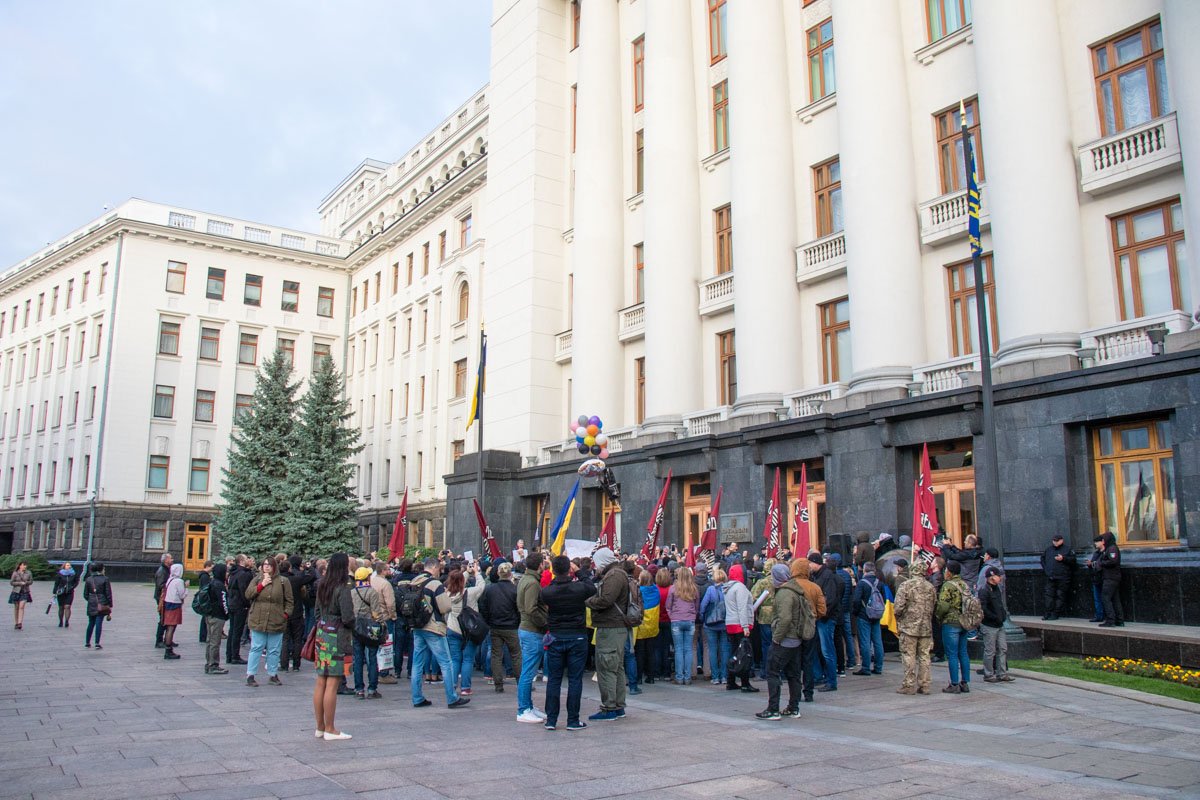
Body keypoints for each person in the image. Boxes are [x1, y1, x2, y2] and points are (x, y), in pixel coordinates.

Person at [540, 554, 594, 731]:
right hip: (577, 635)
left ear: (553, 570)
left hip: (556, 635)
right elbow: (591, 587)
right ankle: (572, 720)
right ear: (569, 569)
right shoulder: (579, 588)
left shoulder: (547, 592)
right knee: (575, 679)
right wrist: (579, 571)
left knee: (554, 679)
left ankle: (551, 720)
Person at [409, 557, 470, 709]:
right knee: (446, 662)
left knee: (417, 663)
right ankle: (452, 697)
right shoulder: (435, 584)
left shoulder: (414, 581)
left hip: (417, 626)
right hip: (433, 627)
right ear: (435, 568)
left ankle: (417, 697)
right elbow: (445, 607)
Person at [756, 564, 811, 720]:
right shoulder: (796, 590)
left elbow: (785, 619)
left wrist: (777, 638)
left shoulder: (784, 593)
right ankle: (793, 707)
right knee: (793, 674)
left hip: (786, 639)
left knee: (772, 671)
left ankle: (773, 709)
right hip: (796, 639)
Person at [585, 547, 632, 721]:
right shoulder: (618, 573)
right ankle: (618, 706)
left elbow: (606, 600)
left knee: (606, 667)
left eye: (597, 563)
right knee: (616, 667)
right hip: (615, 626)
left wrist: (588, 601)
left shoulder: (614, 576)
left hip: (610, 626)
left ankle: (609, 707)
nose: (595, 567)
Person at [313, 552, 354, 740]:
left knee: (321, 680)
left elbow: (316, 611)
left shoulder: (323, 583)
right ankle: (330, 728)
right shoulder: (343, 586)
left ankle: (320, 727)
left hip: (322, 633)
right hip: (338, 635)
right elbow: (347, 616)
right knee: (333, 682)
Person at [245, 556, 294, 687]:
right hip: (258, 619)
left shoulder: (283, 581)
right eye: (264, 564)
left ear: (274, 567)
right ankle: (250, 675)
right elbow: (248, 594)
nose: (266, 566)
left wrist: (285, 614)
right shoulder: (257, 579)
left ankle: (272, 674)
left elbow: (289, 601)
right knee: (256, 648)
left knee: (274, 649)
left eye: (269, 565)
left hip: (276, 619)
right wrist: (262, 585)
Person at [893, 562, 936, 695]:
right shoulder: (930, 587)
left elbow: (898, 607)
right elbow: (934, 605)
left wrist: (900, 619)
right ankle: (924, 685)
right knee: (924, 656)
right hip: (926, 627)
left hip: (909, 627)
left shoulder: (906, 585)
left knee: (908, 655)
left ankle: (908, 685)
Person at [515, 551, 548, 722]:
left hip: (528, 628)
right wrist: (544, 622)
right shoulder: (532, 583)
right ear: (540, 565)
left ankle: (527, 706)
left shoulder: (526, 579)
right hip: (532, 630)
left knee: (528, 671)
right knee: (528, 672)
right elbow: (531, 608)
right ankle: (523, 709)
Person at [787, 559, 826, 703]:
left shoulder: (788, 586)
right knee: (809, 660)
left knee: (795, 661)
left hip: (793, 628)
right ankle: (808, 692)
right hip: (810, 626)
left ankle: (795, 692)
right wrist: (813, 617)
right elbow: (822, 610)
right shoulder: (814, 587)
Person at [446, 563, 486, 697]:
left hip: (453, 628)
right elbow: (481, 586)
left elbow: (457, 581)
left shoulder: (447, 594)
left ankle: (452, 685)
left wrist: (466, 573)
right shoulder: (470, 593)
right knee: (468, 659)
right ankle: (465, 687)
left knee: (455, 659)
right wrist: (476, 573)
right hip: (469, 629)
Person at [480, 561, 520, 693]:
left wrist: (488, 621)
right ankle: (520, 682)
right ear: (510, 574)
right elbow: (519, 609)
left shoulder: (490, 589)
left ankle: (498, 684)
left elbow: (483, 607)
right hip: (511, 627)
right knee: (516, 655)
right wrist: (517, 621)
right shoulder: (514, 589)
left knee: (496, 655)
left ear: (498, 573)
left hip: (495, 626)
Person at [935, 560, 971, 694]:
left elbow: (943, 606)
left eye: (946, 570)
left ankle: (954, 684)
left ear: (949, 572)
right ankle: (965, 683)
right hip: (964, 622)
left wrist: (938, 616)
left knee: (952, 655)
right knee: (963, 653)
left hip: (951, 623)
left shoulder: (948, 585)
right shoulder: (964, 584)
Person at [350, 566, 384, 699]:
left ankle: (359, 689)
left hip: (356, 628)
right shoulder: (372, 592)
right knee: (372, 657)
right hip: (371, 628)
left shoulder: (352, 592)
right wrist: (382, 625)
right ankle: (372, 689)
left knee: (358, 658)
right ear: (367, 578)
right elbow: (376, 613)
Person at [723, 564, 757, 693]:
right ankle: (745, 683)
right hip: (739, 624)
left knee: (734, 653)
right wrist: (745, 626)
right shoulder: (740, 588)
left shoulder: (728, 587)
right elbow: (742, 608)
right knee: (744, 654)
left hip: (730, 622)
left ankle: (731, 681)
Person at [809, 554, 840, 692]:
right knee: (820, 649)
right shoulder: (818, 576)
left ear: (816, 563)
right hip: (820, 618)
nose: (809, 566)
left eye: (810, 563)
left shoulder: (827, 576)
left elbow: (830, 600)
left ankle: (831, 681)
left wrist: (821, 613)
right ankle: (821, 677)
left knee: (827, 650)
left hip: (825, 618)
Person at [665, 566, 698, 685]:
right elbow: (697, 605)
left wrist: (672, 616)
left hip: (676, 619)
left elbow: (668, 605)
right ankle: (687, 677)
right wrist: (693, 614)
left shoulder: (673, 588)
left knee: (678, 649)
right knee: (688, 649)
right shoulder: (693, 588)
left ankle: (679, 677)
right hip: (690, 620)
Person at [980, 568, 1014, 683]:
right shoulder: (984, 591)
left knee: (1002, 649)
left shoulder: (996, 589)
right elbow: (983, 609)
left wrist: (1002, 616)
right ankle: (988, 674)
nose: (1001, 578)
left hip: (999, 624)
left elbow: (999, 605)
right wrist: (995, 617)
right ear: (992, 577)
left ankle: (1002, 673)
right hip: (989, 625)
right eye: (999, 576)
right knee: (990, 651)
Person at [283, 557, 317, 672]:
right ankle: (296, 664)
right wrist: (310, 567)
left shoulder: (278, 579)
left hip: (283, 612)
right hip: (296, 611)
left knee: (285, 639)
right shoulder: (295, 579)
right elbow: (311, 577)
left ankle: (284, 664)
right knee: (297, 639)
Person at [850, 562, 884, 675]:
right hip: (876, 615)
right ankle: (878, 667)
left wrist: (856, 612)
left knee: (865, 642)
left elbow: (856, 600)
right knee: (877, 641)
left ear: (864, 570)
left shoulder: (862, 583)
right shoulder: (879, 583)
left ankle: (866, 667)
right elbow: (883, 599)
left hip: (864, 615)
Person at [699, 567, 730, 686]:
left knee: (712, 649)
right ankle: (724, 676)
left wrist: (702, 617)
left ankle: (715, 677)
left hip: (711, 623)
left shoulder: (711, 589)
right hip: (725, 622)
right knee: (724, 649)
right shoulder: (728, 589)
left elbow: (703, 605)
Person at [369, 560, 397, 684]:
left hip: (372, 617)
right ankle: (384, 673)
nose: (389, 571)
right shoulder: (385, 584)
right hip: (385, 618)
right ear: (383, 571)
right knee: (386, 646)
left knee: (373, 646)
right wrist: (393, 616)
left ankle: (374, 670)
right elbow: (390, 603)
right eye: (388, 569)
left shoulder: (371, 581)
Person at [750, 560, 777, 681]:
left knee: (766, 644)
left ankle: (766, 671)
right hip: (779, 615)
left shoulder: (762, 582)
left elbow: (752, 597)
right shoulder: (782, 581)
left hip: (765, 616)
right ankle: (780, 671)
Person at [632, 570, 660, 690]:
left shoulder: (639, 591)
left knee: (639, 652)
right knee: (651, 652)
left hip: (641, 624)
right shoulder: (656, 590)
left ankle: (638, 677)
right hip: (653, 624)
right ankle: (651, 676)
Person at [1040, 535, 1076, 620]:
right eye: (1054, 540)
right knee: (1048, 595)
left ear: (1061, 541)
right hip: (1051, 576)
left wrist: (1063, 559)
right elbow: (1042, 560)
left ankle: (1055, 613)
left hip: (1063, 577)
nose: (1055, 542)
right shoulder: (1049, 549)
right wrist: (1047, 570)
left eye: (1057, 541)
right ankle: (1048, 613)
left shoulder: (1067, 549)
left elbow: (1073, 560)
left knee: (1060, 595)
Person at [226, 555, 253, 665]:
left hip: (233, 603)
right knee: (237, 631)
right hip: (239, 605)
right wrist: (247, 603)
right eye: (246, 559)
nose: (248, 560)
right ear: (241, 561)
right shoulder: (243, 574)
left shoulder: (234, 572)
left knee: (232, 630)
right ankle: (235, 656)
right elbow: (244, 590)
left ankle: (230, 655)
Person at [204, 563, 230, 675]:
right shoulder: (220, 585)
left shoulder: (212, 583)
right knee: (215, 641)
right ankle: (213, 665)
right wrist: (227, 614)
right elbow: (223, 602)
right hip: (218, 616)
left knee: (210, 640)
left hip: (209, 615)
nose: (227, 574)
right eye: (226, 572)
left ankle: (209, 663)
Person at [83, 563, 113, 648]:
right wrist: (110, 604)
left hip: (91, 603)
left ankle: (87, 642)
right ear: (101, 569)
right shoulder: (105, 579)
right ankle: (97, 642)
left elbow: (85, 594)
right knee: (99, 623)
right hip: (102, 603)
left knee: (91, 623)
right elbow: (108, 593)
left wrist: (91, 600)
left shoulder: (89, 579)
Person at [161, 563, 187, 660]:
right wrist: (186, 587)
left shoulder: (170, 579)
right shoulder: (179, 581)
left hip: (167, 603)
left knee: (169, 627)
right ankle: (168, 649)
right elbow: (182, 595)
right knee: (171, 627)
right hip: (174, 604)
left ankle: (168, 647)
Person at [1098, 531, 1124, 627]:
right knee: (1115, 599)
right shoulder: (1110, 548)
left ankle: (1110, 620)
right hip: (1112, 577)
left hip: (1110, 577)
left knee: (1105, 598)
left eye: (1103, 540)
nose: (1102, 541)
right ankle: (1119, 620)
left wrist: (1102, 563)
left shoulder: (1112, 548)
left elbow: (1112, 561)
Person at [653, 568, 673, 681]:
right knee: (666, 647)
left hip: (656, 620)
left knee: (656, 647)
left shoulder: (655, 589)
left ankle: (656, 672)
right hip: (668, 620)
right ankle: (667, 673)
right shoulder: (671, 589)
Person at [153, 553, 173, 647]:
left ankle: (167, 639)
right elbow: (161, 585)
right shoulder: (162, 571)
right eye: (170, 558)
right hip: (162, 598)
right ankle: (159, 641)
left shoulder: (167, 569)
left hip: (165, 597)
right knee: (163, 619)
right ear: (166, 560)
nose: (172, 560)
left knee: (167, 619)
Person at [51, 561, 79, 628]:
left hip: (70, 592)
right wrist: (55, 592)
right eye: (67, 565)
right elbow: (56, 583)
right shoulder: (60, 574)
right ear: (64, 566)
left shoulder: (73, 574)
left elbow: (76, 582)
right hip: (61, 593)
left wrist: (72, 587)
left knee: (67, 606)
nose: (69, 566)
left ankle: (67, 621)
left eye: (69, 565)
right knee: (61, 607)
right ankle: (61, 621)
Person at [1086, 536, 1106, 623]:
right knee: (1097, 598)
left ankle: (1107, 616)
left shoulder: (1106, 552)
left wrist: (1093, 564)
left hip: (1104, 578)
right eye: (1095, 542)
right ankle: (1099, 615)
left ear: (1102, 541)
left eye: (1097, 542)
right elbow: (1094, 564)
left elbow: (1104, 564)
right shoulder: (1096, 553)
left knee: (1106, 598)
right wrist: (1090, 564)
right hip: (1096, 578)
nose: (1095, 544)